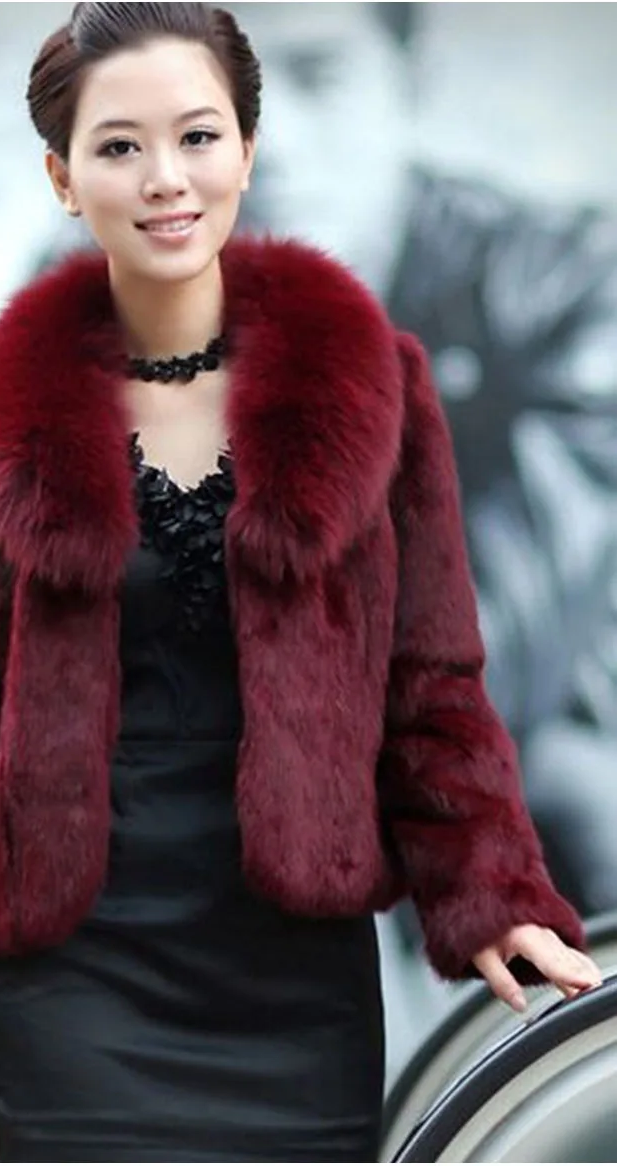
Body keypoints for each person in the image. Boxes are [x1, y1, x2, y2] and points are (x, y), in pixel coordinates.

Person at [0, 4, 601, 1163]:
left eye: (198, 136)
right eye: (120, 145)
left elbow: (431, 687)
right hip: (72, 986)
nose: (165, 177)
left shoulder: (377, 387)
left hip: (293, 986)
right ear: (63, 178)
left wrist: (494, 895)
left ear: (244, 151)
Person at [236, 1, 617, 921]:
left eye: (318, 77)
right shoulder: (100, 306)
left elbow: (501, 631)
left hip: (533, 759)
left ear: (409, 82)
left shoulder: (564, 282)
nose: (266, 145)